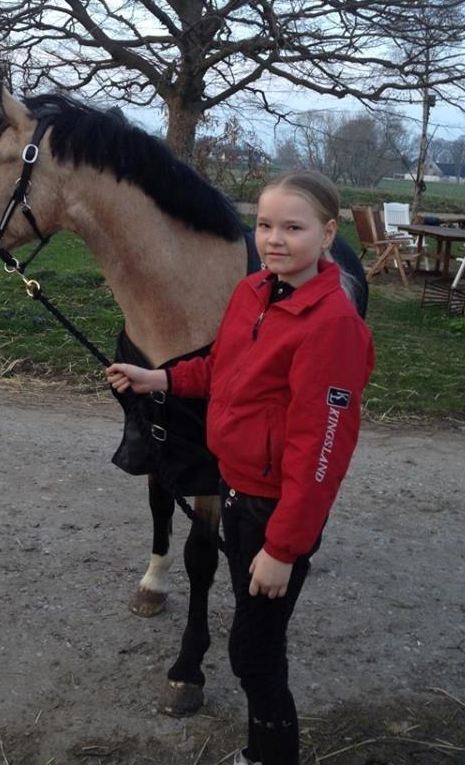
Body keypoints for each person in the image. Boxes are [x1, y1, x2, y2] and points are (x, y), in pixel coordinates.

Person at [106, 170, 374, 765]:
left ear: (329, 233)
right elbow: (221, 369)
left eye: (294, 228)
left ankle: (270, 754)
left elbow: (321, 456)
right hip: (236, 489)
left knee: (254, 654)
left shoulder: (332, 326)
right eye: (265, 225)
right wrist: (162, 378)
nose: (275, 239)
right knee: (254, 644)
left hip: (276, 511)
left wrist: (283, 548)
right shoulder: (254, 291)